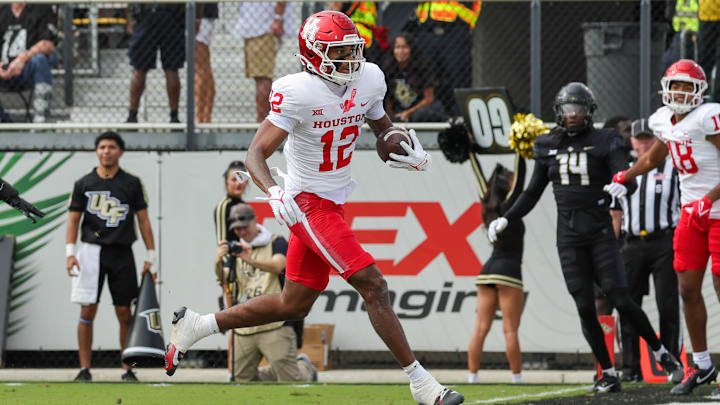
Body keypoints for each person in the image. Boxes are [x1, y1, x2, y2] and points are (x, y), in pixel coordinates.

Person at [165, 11, 464, 405]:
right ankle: (421, 383)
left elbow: (380, 129)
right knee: (374, 285)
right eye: (338, 53)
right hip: (306, 203)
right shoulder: (297, 91)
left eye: (351, 51)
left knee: (294, 302)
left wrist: (398, 144)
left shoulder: (370, 77)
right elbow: (256, 152)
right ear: (313, 56)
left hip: (334, 203)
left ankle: (197, 326)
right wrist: (273, 190)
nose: (349, 61)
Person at [487, 82, 684, 394]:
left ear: (589, 112)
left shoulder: (605, 141)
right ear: (559, 112)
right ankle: (606, 371)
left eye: (578, 110)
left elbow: (624, 177)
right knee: (584, 307)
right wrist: (506, 218)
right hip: (568, 239)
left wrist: (623, 187)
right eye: (568, 110)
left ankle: (661, 353)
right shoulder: (547, 144)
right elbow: (533, 192)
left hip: (601, 234)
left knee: (620, 297)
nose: (573, 116)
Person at [605, 59, 720, 396]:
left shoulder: (708, 119)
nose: (681, 91)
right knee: (687, 289)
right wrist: (623, 176)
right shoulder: (664, 121)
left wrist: (710, 198)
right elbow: (655, 158)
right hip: (691, 215)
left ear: (699, 91)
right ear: (666, 89)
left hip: (717, 211)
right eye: (677, 85)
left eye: (688, 85)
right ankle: (701, 365)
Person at [66, 131, 157, 382]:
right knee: (87, 310)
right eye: (103, 147)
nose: (107, 151)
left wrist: (152, 256)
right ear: (96, 151)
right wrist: (70, 254)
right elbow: (74, 220)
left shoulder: (132, 183)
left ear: (121, 151)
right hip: (90, 252)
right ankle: (84, 368)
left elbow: (144, 220)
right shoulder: (83, 183)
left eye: (112, 147)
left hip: (122, 252)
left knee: (124, 312)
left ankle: (127, 368)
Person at [215, 203, 317, 382]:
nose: (241, 232)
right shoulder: (235, 251)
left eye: (244, 227)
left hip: (275, 322)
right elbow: (224, 278)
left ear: (255, 221)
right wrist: (217, 261)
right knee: (242, 380)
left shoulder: (275, 241)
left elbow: (278, 265)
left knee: (290, 379)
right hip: (245, 326)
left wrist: (250, 259)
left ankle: (305, 369)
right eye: (237, 229)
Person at [615, 118, 681, 383]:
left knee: (668, 304)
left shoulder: (672, 168)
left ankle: (672, 364)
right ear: (631, 141)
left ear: (656, 140)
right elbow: (614, 211)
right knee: (629, 305)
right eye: (639, 138)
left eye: (648, 138)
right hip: (632, 244)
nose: (644, 142)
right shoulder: (623, 169)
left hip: (664, 241)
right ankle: (631, 368)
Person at [468, 160, 526, 384]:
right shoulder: (511, 208)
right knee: (510, 330)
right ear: (507, 186)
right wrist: (521, 149)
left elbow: (480, 177)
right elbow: (521, 180)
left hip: (487, 271)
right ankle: (517, 378)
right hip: (509, 272)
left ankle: (472, 377)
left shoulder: (488, 208)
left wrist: (472, 151)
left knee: (480, 329)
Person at [213, 160, 249, 380]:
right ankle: (231, 371)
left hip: (245, 268)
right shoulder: (224, 206)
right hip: (231, 270)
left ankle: (240, 368)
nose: (238, 183)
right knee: (233, 318)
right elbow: (222, 243)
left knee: (244, 317)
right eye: (233, 179)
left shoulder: (242, 206)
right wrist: (226, 272)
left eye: (241, 178)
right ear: (225, 182)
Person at [412, 1, 481, 116]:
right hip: (427, 30)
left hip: (456, 30)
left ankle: (459, 119)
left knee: (458, 77)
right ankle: (428, 116)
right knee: (427, 78)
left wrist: (470, 21)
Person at [233, 2, 292, 123]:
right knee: (261, 77)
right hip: (256, 26)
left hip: (262, 27)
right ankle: (264, 122)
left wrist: (278, 18)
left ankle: (263, 122)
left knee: (263, 77)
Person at [126, 4, 185, 123]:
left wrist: (130, 17)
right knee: (171, 69)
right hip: (172, 14)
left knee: (139, 68)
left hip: (147, 12)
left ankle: (132, 115)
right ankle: (174, 116)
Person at [0, 2, 56, 123]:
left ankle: (41, 122)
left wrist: (22, 59)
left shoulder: (42, 8)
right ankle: (4, 122)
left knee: (40, 60)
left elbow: (48, 44)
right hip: (3, 70)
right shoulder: (2, 9)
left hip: (28, 70)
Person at [382, 32, 448, 123]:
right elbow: (387, 98)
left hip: (419, 110)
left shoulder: (423, 67)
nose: (401, 51)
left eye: (405, 47)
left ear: (411, 49)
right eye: (397, 47)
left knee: (421, 115)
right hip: (400, 112)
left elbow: (429, 99)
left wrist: (408, 113)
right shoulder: (388, 69)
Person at [194, 3, 218, 123]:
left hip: (199, 16)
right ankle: (205, 118)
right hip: (203, 14)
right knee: (204, 68)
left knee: (200, 68)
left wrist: (197, 18)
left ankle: (200, 118)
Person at [697, 0, 720, 102]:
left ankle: (716, 102)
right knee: (704, 62)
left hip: (707, 13)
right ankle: (700, 99)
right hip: (707, 14)